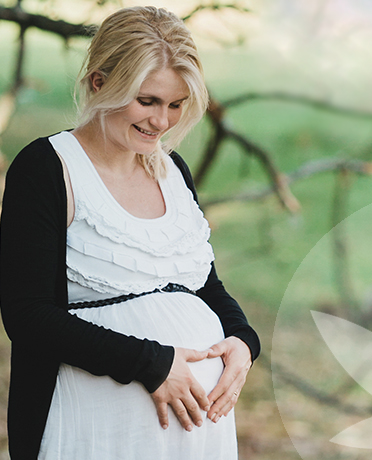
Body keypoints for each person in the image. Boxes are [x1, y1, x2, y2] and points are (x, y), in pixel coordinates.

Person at [0, 6, 260, 460]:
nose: (162, 122)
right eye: (148, 101)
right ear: (100, 83)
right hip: (93, 430)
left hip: (199, 437)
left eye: (176, 105)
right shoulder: (47, 169)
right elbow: (27, 316)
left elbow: (203, 285)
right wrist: (154, 365)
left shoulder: (172, 170)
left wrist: (243, 341)